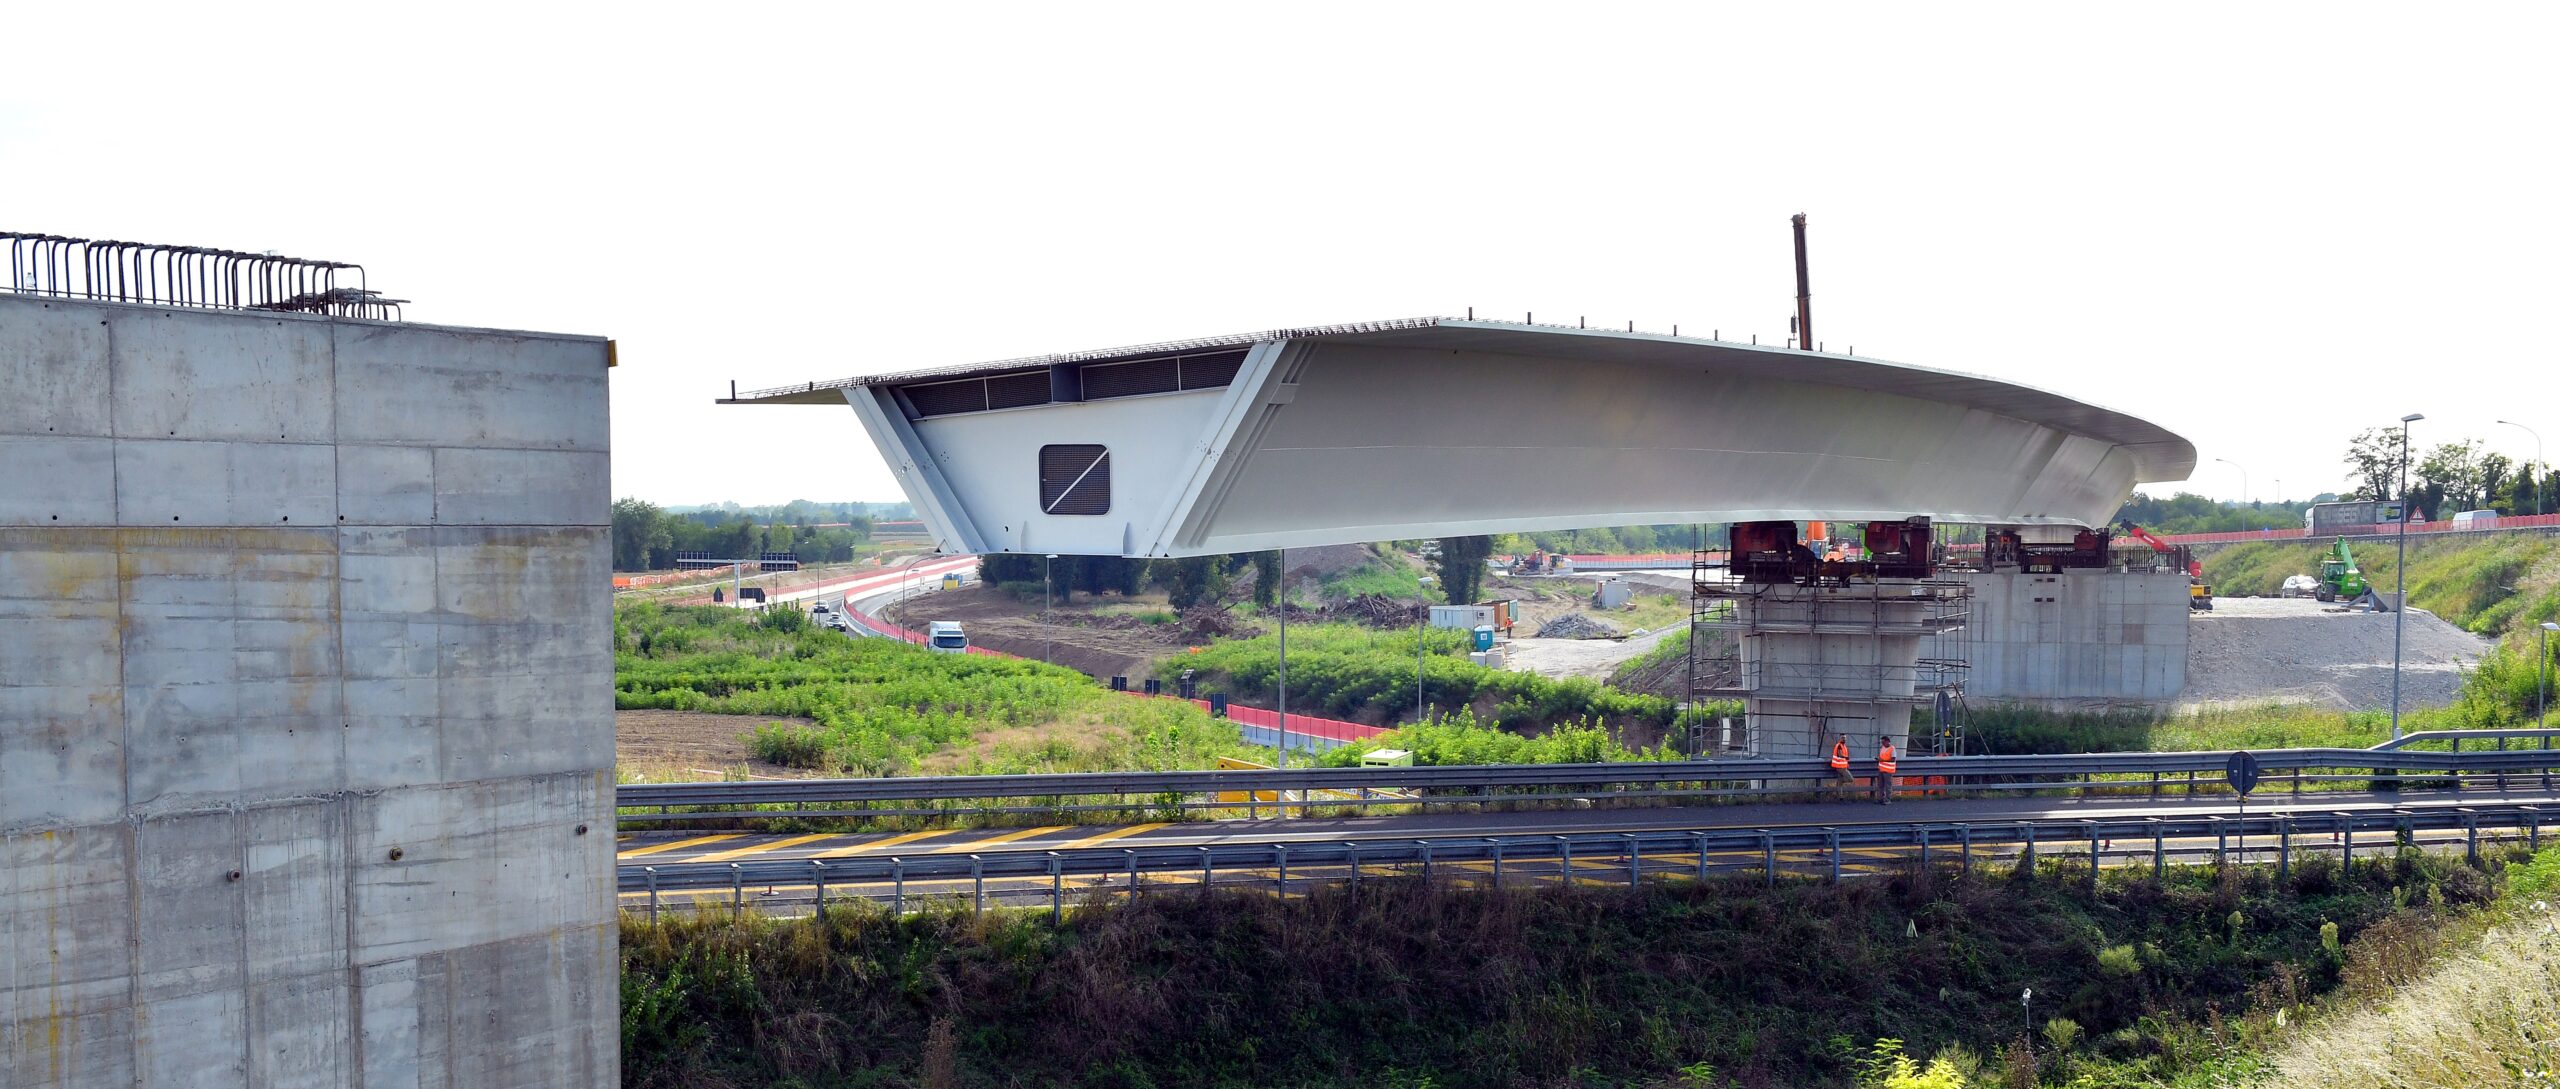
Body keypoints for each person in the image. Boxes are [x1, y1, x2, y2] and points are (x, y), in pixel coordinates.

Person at [1875, 736, 1898, 805]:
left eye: (1883, 742)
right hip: (1881, 769)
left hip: (1888, 770)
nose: (1882, 743)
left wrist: (1882, 760)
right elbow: (1882, 756)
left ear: (1887, 741)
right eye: (1882, 742)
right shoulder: (1882, 748)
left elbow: (1893, 759)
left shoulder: (1892, 749)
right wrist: (1879, 759)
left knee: (1888, 786)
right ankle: (1880, 799)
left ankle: (1888, 799)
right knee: (1880, 785)